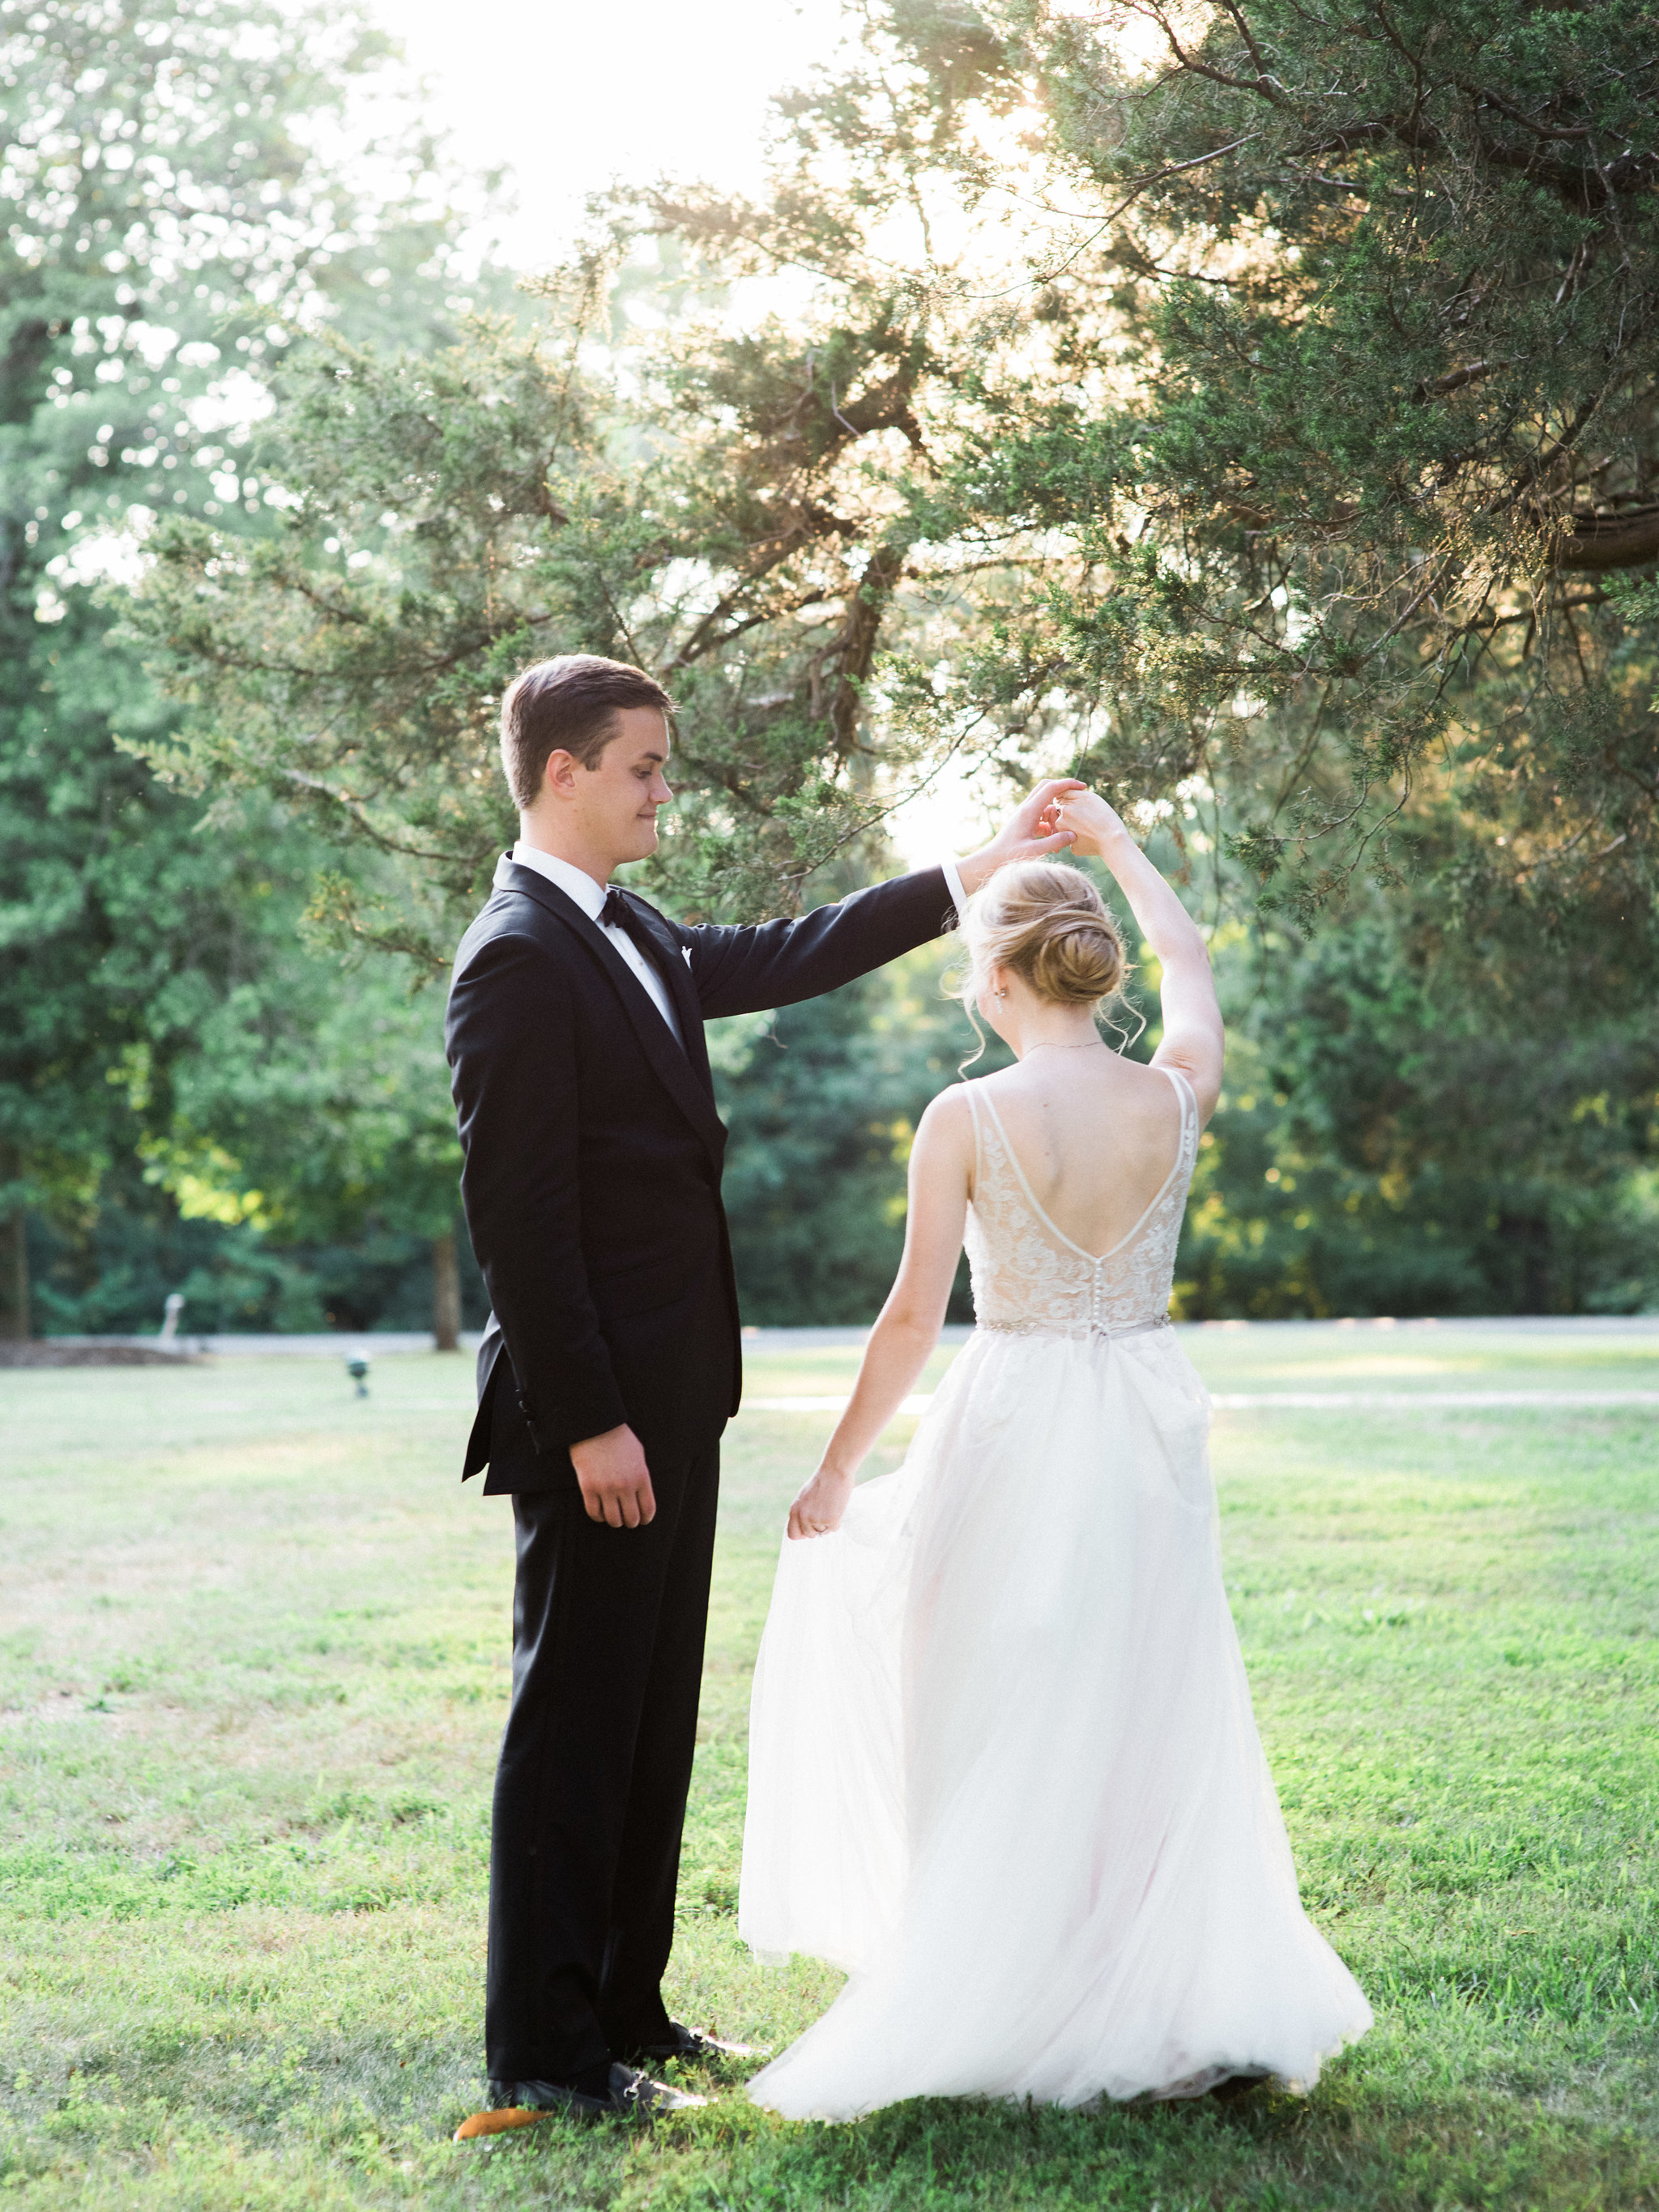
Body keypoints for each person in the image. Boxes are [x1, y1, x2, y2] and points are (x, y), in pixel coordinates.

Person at [444, 652, 1081, 2135]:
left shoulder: (631, 932)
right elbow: (518, 1219)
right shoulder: (519, 957)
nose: (668, 788)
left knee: (654, 1713)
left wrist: (973, 868)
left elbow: (789, 952)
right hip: (597, 1415)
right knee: (577, 1723)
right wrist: (590, 1416)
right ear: (562, 774)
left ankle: (626, 2014)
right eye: (645, 766)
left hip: (678, 1397)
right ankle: (542, 2056)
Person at [739, 791, 1373, 2120]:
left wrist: (840, 1468)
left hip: (1016, 1418)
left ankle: (1008, 1987)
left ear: (995, 974)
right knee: (1149, 1698)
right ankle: (1150, 1999)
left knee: (986, 1695)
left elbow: (914, 1316)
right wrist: (1123, 851)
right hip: (1145, 1416)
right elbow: (1192, 964)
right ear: (1087, 962)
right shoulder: (1175, 1095)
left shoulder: (964, 1117)